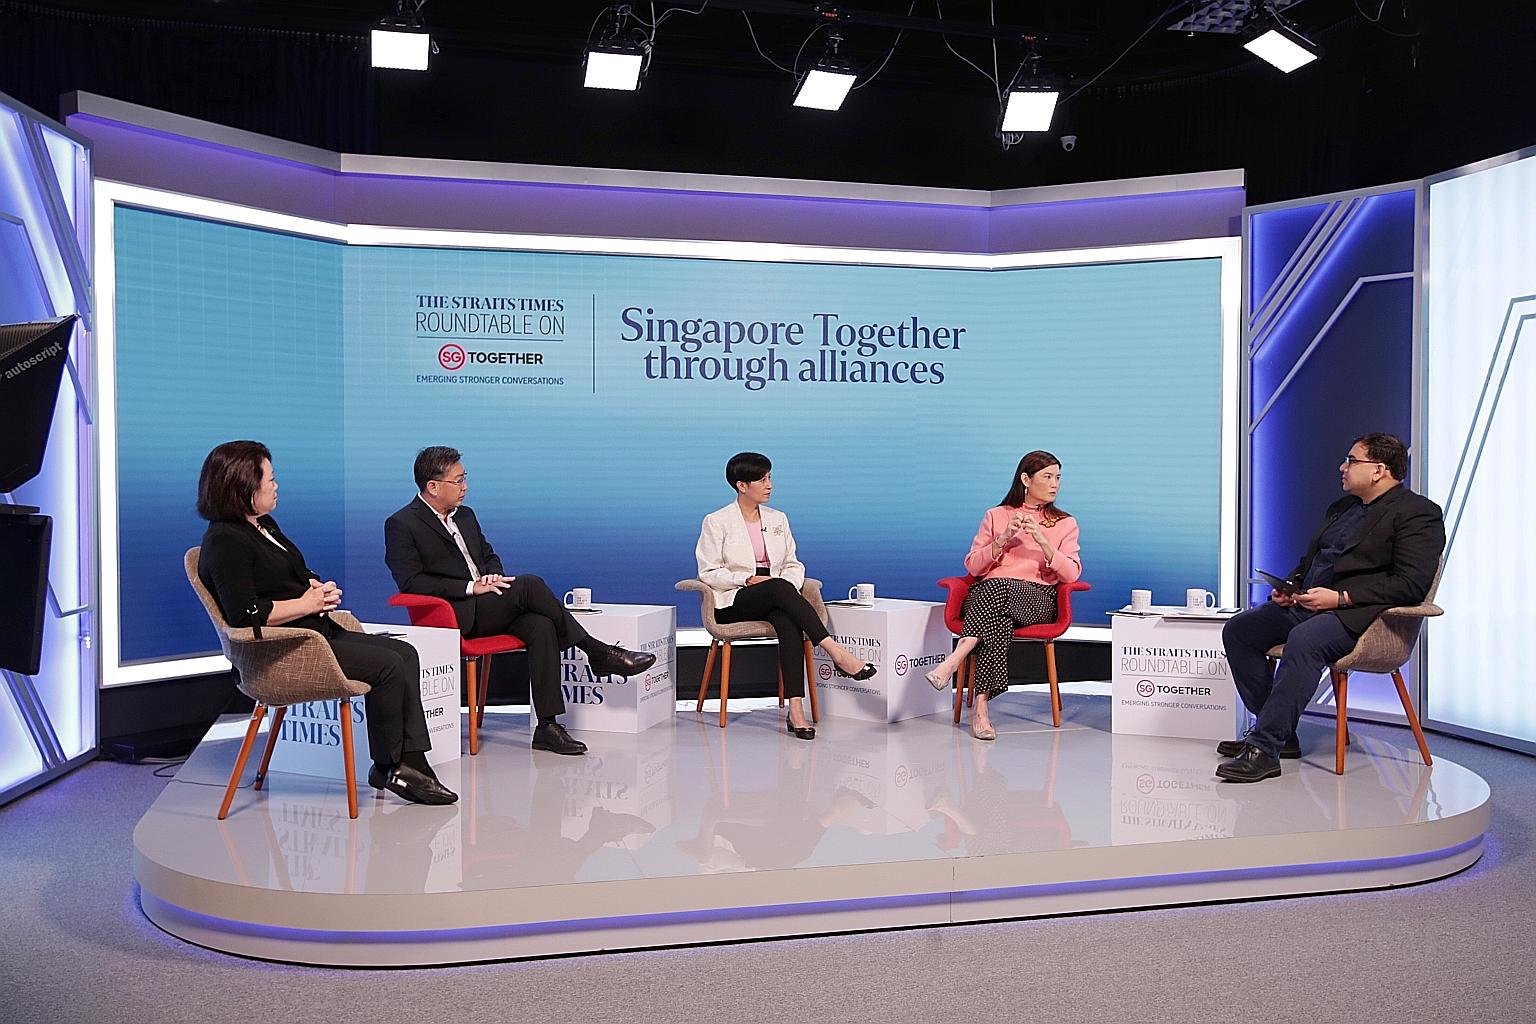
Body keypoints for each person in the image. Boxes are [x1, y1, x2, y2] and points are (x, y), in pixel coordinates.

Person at [196, 441, 455, 806]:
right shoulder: (225, 540)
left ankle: (401, 764)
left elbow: (292, 573)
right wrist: (305, 602)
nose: (275, 485)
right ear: (242, 487)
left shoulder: (262, 525)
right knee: (389, 666)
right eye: (269, 479)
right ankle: (397, 765)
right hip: (285, 651)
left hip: (314, 633)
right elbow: (244, 615)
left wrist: (315, 588)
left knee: (404, 652)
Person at [384, 446, 655, 757]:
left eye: (465, 478)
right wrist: (471, 587)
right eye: (458, 481)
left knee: (540, 625)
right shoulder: (402, 524)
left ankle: (548, 727)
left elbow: (488, 555)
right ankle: (597, 652)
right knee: (530, 585)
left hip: (488, 603)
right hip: (455, 615)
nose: (465, 486)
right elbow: (411, 582)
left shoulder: (467, 516)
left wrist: (493, 577)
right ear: (433, 486)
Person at [1217, 432, 1445, 783]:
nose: (1343, 467)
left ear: (1378, 470)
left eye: (1352, 460)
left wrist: (1340, 599)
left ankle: (1264, 749)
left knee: (1305, 640)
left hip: (1362, 617)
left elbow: (1411, 583)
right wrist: (1290, 587)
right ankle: (1279, 731)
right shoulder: (1340, 509)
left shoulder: (1418, 514)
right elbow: (1313, 561)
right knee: (1240, 630)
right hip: (1309, 604)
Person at [695, 452, 875, 740]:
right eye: (763, 479)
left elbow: (793, 564)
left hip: (776, 596)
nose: (770, 485)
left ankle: (796, 709)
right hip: (735, 600)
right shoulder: (717, 521)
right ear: (742, 486)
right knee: (778, 589)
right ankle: (836, 652)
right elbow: (708, 571)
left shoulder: (778, 518)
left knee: (786, 617)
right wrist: (744, 579)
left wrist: (785, 584)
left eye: (770, 478)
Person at [924, 451, 1082, 741]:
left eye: (1058, 477)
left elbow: (1071, 574)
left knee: (996, 591)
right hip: (990, 597)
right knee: (996, 613)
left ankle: (957, 657)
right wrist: (1001, 540)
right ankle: (981, 709)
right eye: (1047, 476)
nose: (1055, 484)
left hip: (1036, 599)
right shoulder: (996, 516)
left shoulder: (1065, 523)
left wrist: (1044, 543)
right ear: (1026, 479)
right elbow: (973, 566)